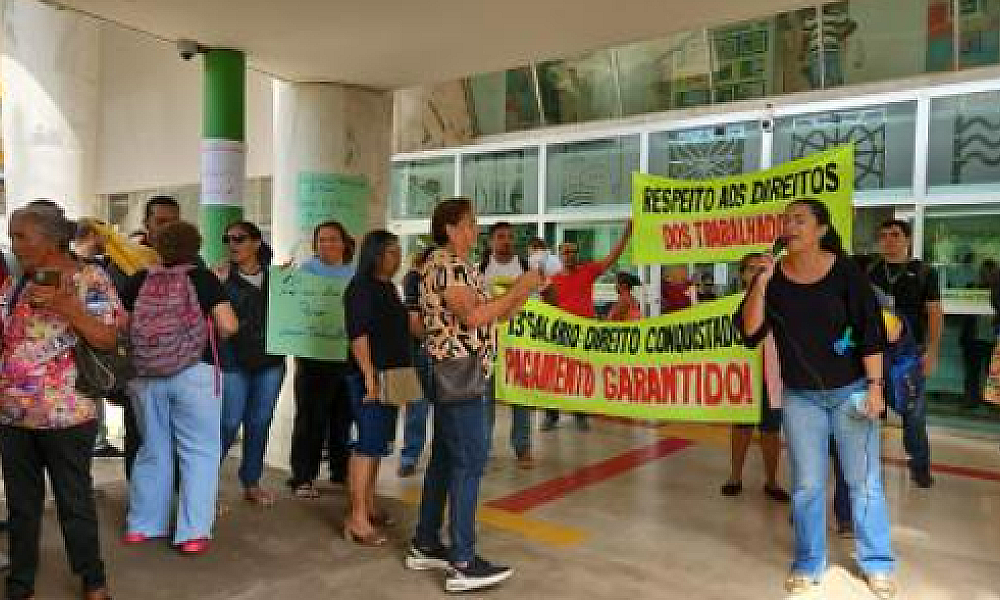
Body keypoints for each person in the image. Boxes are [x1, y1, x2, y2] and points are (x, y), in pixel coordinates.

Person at [737, 199, 896, 599]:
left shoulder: (846, 273)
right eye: (786, 220)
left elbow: (871, 332)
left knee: (864, 484)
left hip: (852, 391)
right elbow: (750, 332)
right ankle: (808, 563)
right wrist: (759, 283)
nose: (790, 226)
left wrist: (876, 388)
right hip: (801, 398)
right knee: (807, 486)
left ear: (821, 230)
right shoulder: (773, 280)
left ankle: (876, 563)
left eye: (799, 220)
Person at [406, 197, 541, 593]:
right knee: (470, 462)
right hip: (457, 371)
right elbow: (473, 317)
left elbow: (490, 316)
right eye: (468, 224)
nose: (475, 230)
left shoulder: (463, 267)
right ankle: (463, 561)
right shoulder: (446, 264)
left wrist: (521, 295)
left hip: (460, 369)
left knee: (448, 458)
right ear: (449, 229)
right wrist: (518, 285)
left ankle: (425, 541)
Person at [1, 202, 120, 600]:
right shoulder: (15, 283)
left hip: (69, 415)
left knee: (75, 501)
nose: (13, 244)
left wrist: (67, 306)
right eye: (11, 234)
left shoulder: (92, 279)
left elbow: (108, 338)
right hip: (13, 414)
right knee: (21, 506)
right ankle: (20, 582)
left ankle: (92, 579)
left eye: (21, 235)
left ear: (52, 240)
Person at [123, 221, 238, 554]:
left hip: (145, 375)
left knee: (152, 449)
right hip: (194, 373)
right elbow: (228, 325)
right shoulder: (203, 279)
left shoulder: (139, 279)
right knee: (199, 453)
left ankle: (143, 525)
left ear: (156, 247)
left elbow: (121, 327)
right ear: (196, 247)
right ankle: (192, 533)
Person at [343, 230, 417, 545]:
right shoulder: (360, 288)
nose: (397, 257)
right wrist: (369, 375)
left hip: (398, 374)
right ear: (374, 254)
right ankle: (356, 517)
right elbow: (358, 335)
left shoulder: (391, 289)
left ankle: (370, 503)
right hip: (371, 375)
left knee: (382, 443)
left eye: (398, 251)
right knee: (368, 443)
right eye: (390, 252)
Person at [215, 221, 285, 506]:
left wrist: (291, 286)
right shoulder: (220, 277)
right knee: (228, 422)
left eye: (239, 239)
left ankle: (251, 481)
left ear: (256, 243)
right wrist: (215, 287)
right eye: (228, 239)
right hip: (233, 360)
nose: (232, 244)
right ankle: (204, 482)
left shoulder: (278, 278)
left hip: (270, 361)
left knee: (259, 422)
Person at [287, 221, 355, 498]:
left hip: (347, 356)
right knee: (311, 418)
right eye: (322, 240)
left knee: (343, 417)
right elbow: (292, 307)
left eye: (332, 239)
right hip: (313, 356)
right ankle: (303, 476)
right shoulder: (305, 272)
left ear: (344, 243)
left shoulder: (354, 274)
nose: (326, 244)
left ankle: (341, 471)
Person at [542, 223, 632, 431]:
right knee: (555, 374)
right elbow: (545, 307)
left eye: (573, 252)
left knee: (581, 375)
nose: (570, 255)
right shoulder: (552, 281)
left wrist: (626, 236)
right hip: (561, 333)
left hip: (584, 333)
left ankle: (580, 414)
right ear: (559, 255)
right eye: (566, 252)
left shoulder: (588, 271)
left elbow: (612, 258)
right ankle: (551, 415)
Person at [720, 254, 789, 503]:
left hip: (772, 376)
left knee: (771, 430)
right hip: (742, 377)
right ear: (742, 274)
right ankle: (735, 477)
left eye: (763, 268)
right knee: (741, 428)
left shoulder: (780, 303)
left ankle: (772, 481)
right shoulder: (729, 305)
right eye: (751, 269)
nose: (758, 273)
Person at [479, 222, 535, 467]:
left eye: (510, 237)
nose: (506, 241)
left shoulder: (525, 268)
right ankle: (482, 449)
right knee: (485, 400)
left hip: (519, 347)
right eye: (500, 237)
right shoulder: (479, 270)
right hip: (489, 346)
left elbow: (548, 297)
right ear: (490, 241)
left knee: (521, 397)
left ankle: (522, 447)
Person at [72, 221, 127, 460]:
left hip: (82, 362)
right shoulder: (92, 272)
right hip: (82, 360)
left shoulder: (95, 271)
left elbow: (108, 324)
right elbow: (110, 319)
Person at [399, 248, 436, 478]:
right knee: (418, 405)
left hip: (436, 350)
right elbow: (413, 321)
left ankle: (413, 456)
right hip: (421, 350)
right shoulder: (414, 278)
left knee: (436, 406)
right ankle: (410, 456)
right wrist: (434, 342)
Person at [960, 259, 999, 411]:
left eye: (990, 273)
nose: (986, 276)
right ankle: (971, 400)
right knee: (972, 372)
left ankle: (993, 403)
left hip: (993, 338)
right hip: (973, 337)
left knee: (994, 373)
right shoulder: (972, 288)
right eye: (983, 273)